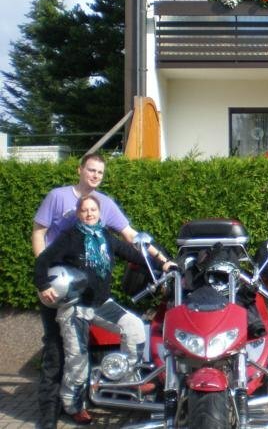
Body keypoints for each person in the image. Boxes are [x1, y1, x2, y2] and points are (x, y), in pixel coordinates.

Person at [31, 153, 170, 428]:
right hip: (70, 300)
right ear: (80, 170)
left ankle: (126, 377)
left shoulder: (105, 233)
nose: (90, 213)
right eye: (91, 170)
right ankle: (64, 408)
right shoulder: (67, 228)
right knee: (68, 357)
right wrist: (45, 284)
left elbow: (132, 244)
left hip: (100, 302)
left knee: (134, 327)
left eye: (100, 172)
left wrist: (163, 261)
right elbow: (42, 251)